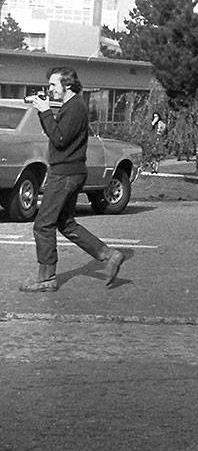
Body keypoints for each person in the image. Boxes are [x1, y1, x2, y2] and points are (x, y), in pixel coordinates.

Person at [19, 67, 125, 292]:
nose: (50, 90)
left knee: (42, 224)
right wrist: (43, 111)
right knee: (66, 223)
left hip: (64, 174)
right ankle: (109, 255)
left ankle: (46, 278)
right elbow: (59, 135)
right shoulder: (74, 106)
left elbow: (58, 139)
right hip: (73, 172)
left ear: (66, 85)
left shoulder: (74, 108)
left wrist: (45, 111)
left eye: (53, 85)